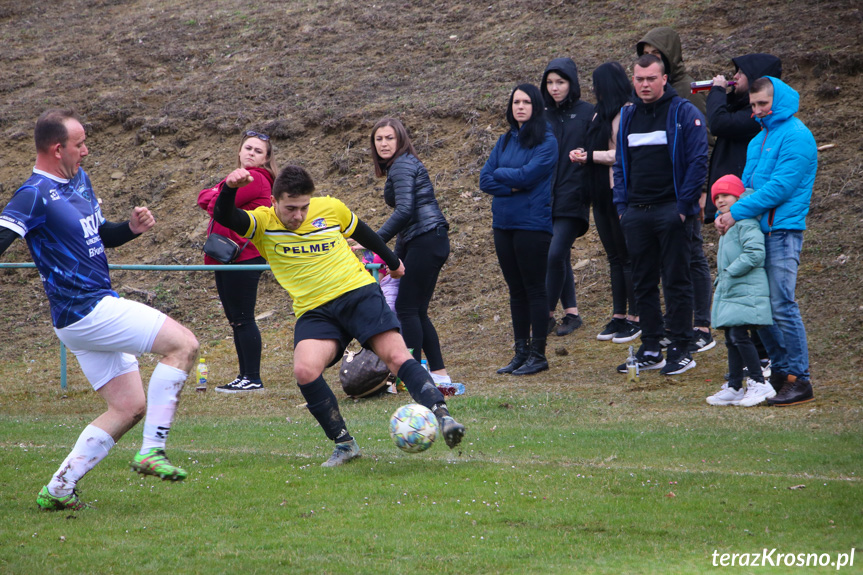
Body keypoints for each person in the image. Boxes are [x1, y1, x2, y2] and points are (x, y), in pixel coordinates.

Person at [0, 109, 199, 511]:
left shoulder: (80, 182)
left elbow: (100, 235)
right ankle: (152, 451)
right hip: (86, 309)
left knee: (128, 407)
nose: (86, 151)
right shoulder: (34, 194)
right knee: (184, 345)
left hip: (86, 313)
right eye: (80, 144)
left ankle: (59, 489)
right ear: (57, 149)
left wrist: (130, 228)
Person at [213, 164, 465, 466]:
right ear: (274, 201)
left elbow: (366, 234)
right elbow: (224, 216)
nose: (298, 215)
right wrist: (229, 188)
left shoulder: (331, 208)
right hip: (315, 311)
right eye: (291, 208)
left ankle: (444, 417)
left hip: (358, 293)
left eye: (304, 207)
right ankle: (344, 444)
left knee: (397, 357)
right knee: (305, 370)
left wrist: (393, 260)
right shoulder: (261, 223)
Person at [715, 77, 817, 406]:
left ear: (779, 100)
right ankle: (780, 372)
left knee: (782, 304)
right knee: (761, 308)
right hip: (759, 230)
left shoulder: (797, 136)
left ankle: (800, 378)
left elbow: (779, 188)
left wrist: (736, 212)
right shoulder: (758, 140)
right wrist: (727, 213)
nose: (757, 111)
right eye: (754, 105)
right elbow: (746, 186)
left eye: (763, 104)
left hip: (784, 231)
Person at [612, 54, 709, 376]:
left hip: (672, 211)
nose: (644, 85)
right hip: (636, 213)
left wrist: (683, 209)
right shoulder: (627, 116)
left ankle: (682, 346)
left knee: (677, 281)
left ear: (664, 78)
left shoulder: (683, 112)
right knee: (642, 283)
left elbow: (698, 162)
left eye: (651, 79)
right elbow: (620, 164)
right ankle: (651, 347)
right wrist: (622, 206)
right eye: (639, 79)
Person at [638, 27, 714, 355]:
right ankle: (675, 323)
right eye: (645, 55)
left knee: (692, 255)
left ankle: (702, 325)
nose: (650, 63)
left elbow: (705, 142)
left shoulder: (687, 91)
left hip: (686, 192)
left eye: (656, 55)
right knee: (667, 263)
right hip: (657, 197)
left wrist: (700, 190)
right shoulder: (643, 98)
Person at [705, 53, 782, 376]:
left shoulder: (753, 118)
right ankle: (742, 370)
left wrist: (717, 92)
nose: (733, 76)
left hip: (745, 208)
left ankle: (763, 358)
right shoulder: (744, 111)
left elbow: (717, 123)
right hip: (732, 206)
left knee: (754, 287)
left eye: (739, 73)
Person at [480, 84, 557, 376]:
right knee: (516, 291)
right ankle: (520, 352)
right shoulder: (505, 140)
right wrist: (513, 182)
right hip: (503, 224)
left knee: (535, 289)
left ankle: (539, 354)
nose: (520, 106)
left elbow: (529, 175)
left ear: (536, 106)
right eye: (516, 102)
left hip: (532, 225)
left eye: (526, 102)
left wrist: (506, 177)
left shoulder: (547, 141)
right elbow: (485, 179)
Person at [369, 118, 452, 387]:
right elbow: (409, 218)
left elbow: (404, 211)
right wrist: (394, 257)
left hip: (426, 240)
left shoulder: (402, 164)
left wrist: (375, 241)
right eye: (379, 139)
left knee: (406, 309)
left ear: (401, 139)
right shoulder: (402, 164)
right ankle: (439, 375)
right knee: (417, 310)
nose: (383, 143)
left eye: (389, 138)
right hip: (427, 239)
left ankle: (409, 379)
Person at [197, 130, 275, 393]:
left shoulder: (256, 179)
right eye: (248, 148)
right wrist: (217, 195)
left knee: (243, 318)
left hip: (244, 257)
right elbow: (204, 198)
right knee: (236, 319)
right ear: (239, 151)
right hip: (227, 257)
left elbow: (216, 205)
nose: (251, 153)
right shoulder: (235, 178)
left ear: (265, 159)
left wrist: (217, 194)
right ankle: (245, 376)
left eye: (258, 151)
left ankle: (252, 377)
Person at [571, 61, 640, 344]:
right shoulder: (600, 112)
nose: (593, 88)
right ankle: (618, 315)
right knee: (614, 257)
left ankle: (636, 316)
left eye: (597, 83)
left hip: (619, 193)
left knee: (627, 257)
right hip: (598, 192)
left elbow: (620, 154)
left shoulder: (626, 112)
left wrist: (589, 156)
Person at [705, 175, 774, 407]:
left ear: (738, 196)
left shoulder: (745, 222)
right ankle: (735, 386)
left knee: (738, 336)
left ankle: (759, 382)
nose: (721, 200)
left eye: (726, 195)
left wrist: (730, 272)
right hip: (733, 288)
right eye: (717, 197)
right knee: (730, 337)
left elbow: (755, 253)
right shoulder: (727, 226)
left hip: (745, 287)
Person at [540, 58, 594, 337]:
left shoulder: (588, 113)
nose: (554, 88)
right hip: (545, 198)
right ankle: (571, 313)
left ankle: (545, 315)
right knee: (557, 255)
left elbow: (598, 151)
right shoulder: (543, 114)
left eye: (560, 82)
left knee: (555, 253)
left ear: (572, 82)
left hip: (574, 195)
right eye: (549, 82)